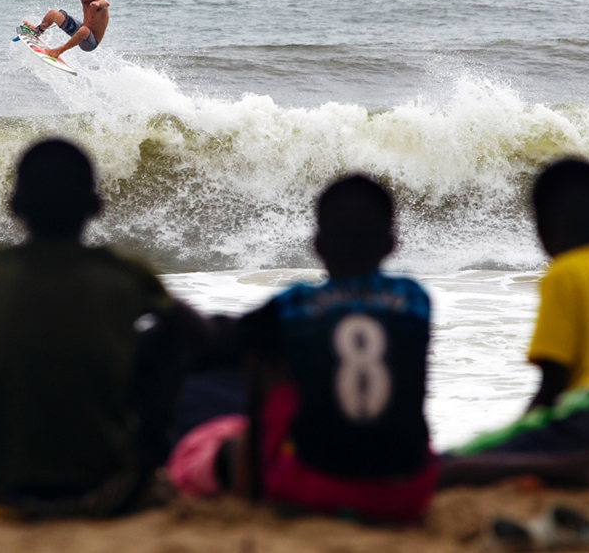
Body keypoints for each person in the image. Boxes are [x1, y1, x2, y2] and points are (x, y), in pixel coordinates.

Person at [0, 138, 208, 519]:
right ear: (96, 206)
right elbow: (198, 334)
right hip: (108, 487)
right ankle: (150, 462)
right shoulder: (122, 272)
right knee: (165, 338)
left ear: (14, 207)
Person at [169, 175, 438, 523]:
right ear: (391, 244)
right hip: (408, 492)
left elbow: (227, 343)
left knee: (264, 359)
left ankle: (249, 484)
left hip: (310, 487)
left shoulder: (294, 305)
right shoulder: (416, 300)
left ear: (317, 244)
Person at [435, 158, 589, 500]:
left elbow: (553, 384)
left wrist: (520, 432)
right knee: (545, 458)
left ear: (539, 228)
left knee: (458, 463)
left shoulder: (565, 273)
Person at [20, 0, 109, 59]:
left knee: (84, 30)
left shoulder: (100, 3)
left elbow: (106, 3)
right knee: (53, 14)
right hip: (81, 32)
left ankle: (58, 51)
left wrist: (97, 4)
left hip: (90, 43)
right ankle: (37, 31)